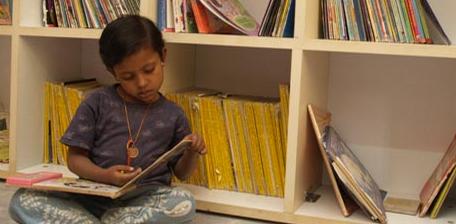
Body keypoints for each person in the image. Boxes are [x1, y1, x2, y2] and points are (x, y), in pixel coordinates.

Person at [9, 15, 206, 224]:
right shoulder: (96, 102)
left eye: (149, 70)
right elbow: (75, 160)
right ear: (113, 72)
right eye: (128, 76)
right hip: (92, 196)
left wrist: (192, 152)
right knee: (23, 199)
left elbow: (182, 173)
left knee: (184, 202)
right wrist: (105, 176)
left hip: (144, 199)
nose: (142, 82)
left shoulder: (173, 114)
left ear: (163, 56)